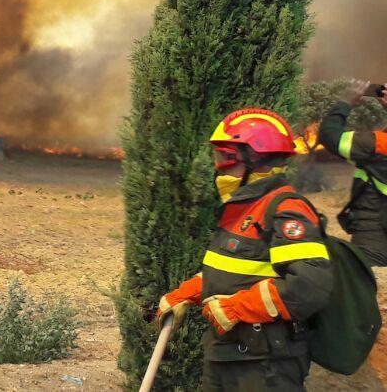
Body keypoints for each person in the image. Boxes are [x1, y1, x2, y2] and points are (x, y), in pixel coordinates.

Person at [155, 108, 334, 391]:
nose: (218, 167)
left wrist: (237, 307)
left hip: (266, 364)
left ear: (255, 158)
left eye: (226, 157)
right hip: (226, 352)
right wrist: (189, 292)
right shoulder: (242, 208)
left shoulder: (286, 209)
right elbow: (238, 269)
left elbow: (310, 286)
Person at [317, 77, 387, 266]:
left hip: (374, 234)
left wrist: (346, 101)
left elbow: (329, 135)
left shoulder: (377, 144)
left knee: (363, 277)